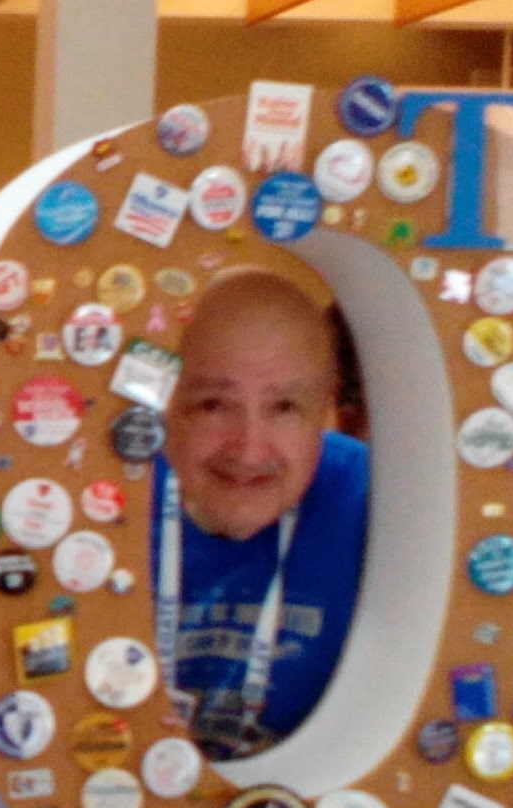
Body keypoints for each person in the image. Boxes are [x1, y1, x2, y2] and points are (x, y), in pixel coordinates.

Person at [152, 268, 369, 762]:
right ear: (167, 403)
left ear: (325, 407)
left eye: (285, 407)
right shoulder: (106, 501)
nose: (249, 451)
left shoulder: (379, 503)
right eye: (213, 405)